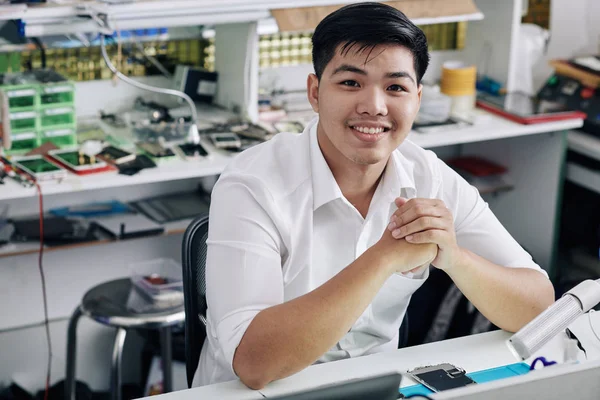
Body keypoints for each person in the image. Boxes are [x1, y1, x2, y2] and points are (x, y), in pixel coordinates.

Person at [194, 2, 555, 389]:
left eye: (395, 87)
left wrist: (455, 258)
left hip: (378, 388)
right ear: (315, 93)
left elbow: (539, 308)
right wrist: (383, 258)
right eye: (351, 83)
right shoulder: (252, 184)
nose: (374, 106)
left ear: (416, 99)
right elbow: (255, 364)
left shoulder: (428, 176)